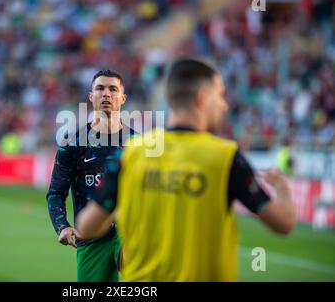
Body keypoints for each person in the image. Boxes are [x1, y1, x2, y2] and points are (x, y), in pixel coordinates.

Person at [77, 58, 296, 282]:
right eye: (219, 95)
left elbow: (87, 226)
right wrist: (283, 188)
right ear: (202, 96)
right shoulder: (225, 157)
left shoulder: (132, 152)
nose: (224, 105)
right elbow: (284, 223)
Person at [46, 69, 137, 282]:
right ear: (91, 96)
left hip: (131, 232)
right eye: (100, 88)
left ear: (122, 98)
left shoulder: (139, 145)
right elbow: (55, 193)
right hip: (92, 236)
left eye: (113, 89)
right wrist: (62, 226)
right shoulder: (73, 143)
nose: (106, 94)